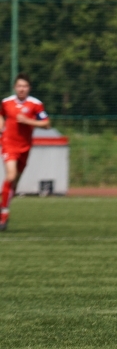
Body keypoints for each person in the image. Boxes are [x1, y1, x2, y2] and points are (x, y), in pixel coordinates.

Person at [0, 73, 51, 231]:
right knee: (11, 175)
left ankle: (3, 203)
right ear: (15, 87)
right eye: (19, 86)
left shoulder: (36, 104)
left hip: (25, 147)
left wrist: (28, 121)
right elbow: (1, 115)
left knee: (14, 184)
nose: (22, 89)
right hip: (8, 144)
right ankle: (4, 216)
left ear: (29, 88)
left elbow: (47, 124)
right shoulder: (6, 102)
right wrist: (1, 128)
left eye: (25, 86)